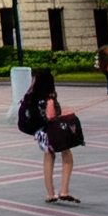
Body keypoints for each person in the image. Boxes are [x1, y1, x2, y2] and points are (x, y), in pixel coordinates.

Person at [30, 69, 79, 204]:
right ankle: (64, 190)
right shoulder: (49, 96)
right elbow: (51, 116)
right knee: (67, 155)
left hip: (40, 133)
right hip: (53, 131)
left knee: (48, 156)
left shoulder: (32, 95)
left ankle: (50, 193)